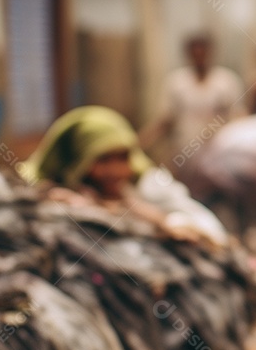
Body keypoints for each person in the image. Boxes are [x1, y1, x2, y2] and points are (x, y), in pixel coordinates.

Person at [21, 105, 228, 246]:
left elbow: (208, 228)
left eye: (123, 158)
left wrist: (169, 222)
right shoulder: (56, 194)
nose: (116, 171)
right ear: (78, 161)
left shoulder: (147, 185)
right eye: (103, 160)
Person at [144, 33, 246, 168]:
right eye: (195, 53)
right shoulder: (176, 82)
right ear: (188, 54)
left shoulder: (227, 81)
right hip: (184, 153)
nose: (199, 57)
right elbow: (166, 120)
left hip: (220, 156)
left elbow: (239, 118)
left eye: (203, 53)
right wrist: (143, 141)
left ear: (211, 53)